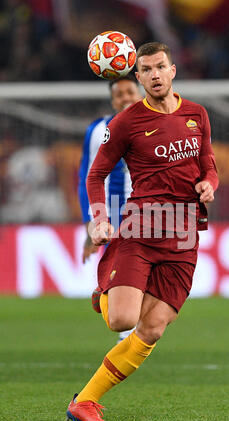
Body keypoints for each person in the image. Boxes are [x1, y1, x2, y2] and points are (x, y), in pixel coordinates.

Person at [67, 42, 218, 421]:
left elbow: (209, 166)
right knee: (121, 322)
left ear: (172, 70)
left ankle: (84, 402)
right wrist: (99, 218)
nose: (154, 75)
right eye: (146, 70)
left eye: (159, 67)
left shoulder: (197, 115)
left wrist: (208, 185)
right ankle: (105, 293)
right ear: (138, 77)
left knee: (152, 328)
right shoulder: (126, 122)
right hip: (140, 228)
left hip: (184, 236)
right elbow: (96, 173)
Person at [78, 76, 141, 343]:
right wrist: (90, 223)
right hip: (116, 216)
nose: (125, 97)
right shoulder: (99, 129)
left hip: (154, 212)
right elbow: (88, 176)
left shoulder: (159, 122)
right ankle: (127, 335)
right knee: (127, 274)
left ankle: (105, 295)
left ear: (140, 93)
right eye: (119, 94)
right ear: (112, 100)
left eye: (130, 92)